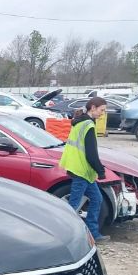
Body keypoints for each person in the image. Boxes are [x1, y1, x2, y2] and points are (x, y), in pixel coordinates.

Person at [58, 97, 110, 242]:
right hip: (81, 170)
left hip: (82, 170)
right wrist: (101, 171)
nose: (102, 114)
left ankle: (93, 233)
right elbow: (91, 154)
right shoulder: (88, 125)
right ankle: (65, 234)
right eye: (102, 110)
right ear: (93, 107)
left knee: (96, 199)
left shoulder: (80, 122)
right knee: (74, 205)